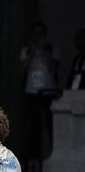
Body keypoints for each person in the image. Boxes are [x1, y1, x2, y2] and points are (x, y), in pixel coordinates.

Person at [20, 22, 60, 160]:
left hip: (48, 92)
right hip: (32, 92)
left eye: (41, 33)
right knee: (33, 125)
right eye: (35, 33)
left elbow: (53, 67)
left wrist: (45, 51)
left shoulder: (52, 49)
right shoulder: (27, 50)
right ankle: (33, 157)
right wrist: (32, 51)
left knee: (50, 124)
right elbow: (23, 69)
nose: (38, 36)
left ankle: (53, 153)